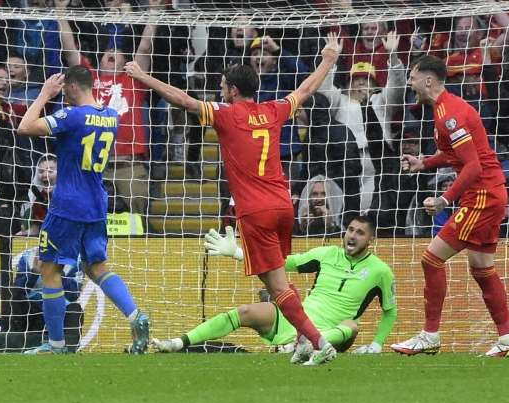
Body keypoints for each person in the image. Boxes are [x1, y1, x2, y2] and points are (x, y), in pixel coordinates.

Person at [124, 35, 344, 366]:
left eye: (223, 86)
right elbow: (305, 91)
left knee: (277, 284)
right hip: (283, 205)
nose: (221, 91)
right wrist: (328, 59)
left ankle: (318, 342)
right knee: (277, 282)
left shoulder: (226, 114)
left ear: (234, 92)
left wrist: (142, 77)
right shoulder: (273, 110)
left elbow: (183, 100)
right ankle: (301, 339)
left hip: (256, 210)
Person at [16, 66, 150, 354]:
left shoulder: (71, 116)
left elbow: (25, 127)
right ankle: (136, 316)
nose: (63, 95)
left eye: (65, 91)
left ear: (73, 88)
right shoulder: (111, 117)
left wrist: (43, 94)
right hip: (97, 204)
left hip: (67, 204)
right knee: (96, 267)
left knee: (49, 269)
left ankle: (56, 346)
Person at [391, 55, 509, 358]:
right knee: (481, 269)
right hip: (490, 192)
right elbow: (456, 156)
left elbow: (472, 166)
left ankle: (430, 335)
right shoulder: (443, 111)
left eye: (412, 76)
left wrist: (444, 199)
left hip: (482, 195)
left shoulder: (449, 115)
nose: (409, 82)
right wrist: (424, 162)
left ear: (428, 80)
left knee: (431, 259)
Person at [151, 214, 396, 357]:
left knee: (351, 326)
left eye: (360, 233)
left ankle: (305, 345)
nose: (352, 236)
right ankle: (177, 343)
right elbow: (280, 263)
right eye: (350, 230)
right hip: (300, 320)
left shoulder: (380, 271)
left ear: (371, 239)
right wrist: (236, 252)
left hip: (334, 333)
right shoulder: (327, 254)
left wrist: (377, 343)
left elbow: (389, 310)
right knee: (246, 311)